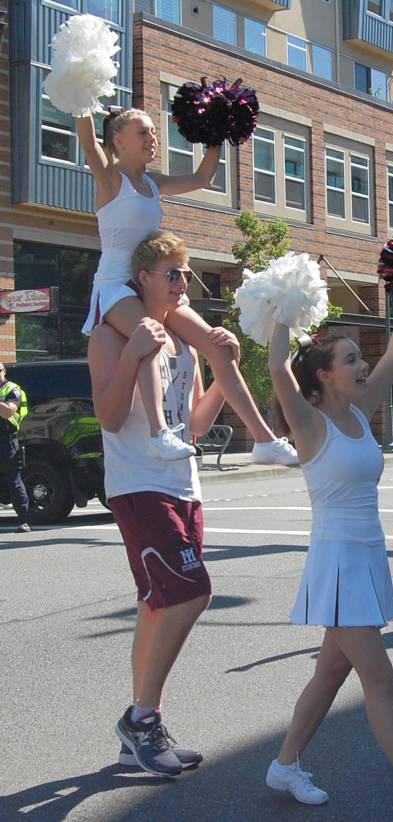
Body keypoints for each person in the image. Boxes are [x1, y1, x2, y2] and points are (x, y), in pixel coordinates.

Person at [263, 304, 393, 820]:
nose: (363, 365)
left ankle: (285, 764)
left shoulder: (359, 411)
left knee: (330, 673)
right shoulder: (309, 424)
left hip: (367, 557)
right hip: (338, 566)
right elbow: (276, 367)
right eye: (351, 359)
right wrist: (284, 312)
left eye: (361, 358)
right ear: (323, 375)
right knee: (379, 681)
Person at [74, 108, 297, 465]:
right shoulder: (111, 180)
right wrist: (81, 93)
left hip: (154, 283)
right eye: (143, 133)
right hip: (118, 287)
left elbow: (203, 177)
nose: (153, 139)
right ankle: (158, 433)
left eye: (153, 132)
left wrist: (217, 131)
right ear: (118, 140)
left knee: (218, 347)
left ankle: (264, 440)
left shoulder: (152, 183)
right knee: (149, 337)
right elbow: (87, 141)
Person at [89, 232, 233, 776]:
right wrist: (132, 352)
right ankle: (141, 717)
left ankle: (141, 726)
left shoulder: (184, 343)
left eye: (186, 274)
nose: (182, 284)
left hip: (183, 484)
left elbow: (193, 424)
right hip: (137, 482)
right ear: (142, 278)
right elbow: (107, 415)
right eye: (172, 273)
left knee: (156, 602)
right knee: (191, 592)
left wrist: (219, 375)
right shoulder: (107, 335)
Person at [0, 361, 31, 532]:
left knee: (13, 480)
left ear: (3, 371)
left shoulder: (12, 389)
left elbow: (8, 411)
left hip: (6, 441)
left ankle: (24, 520)